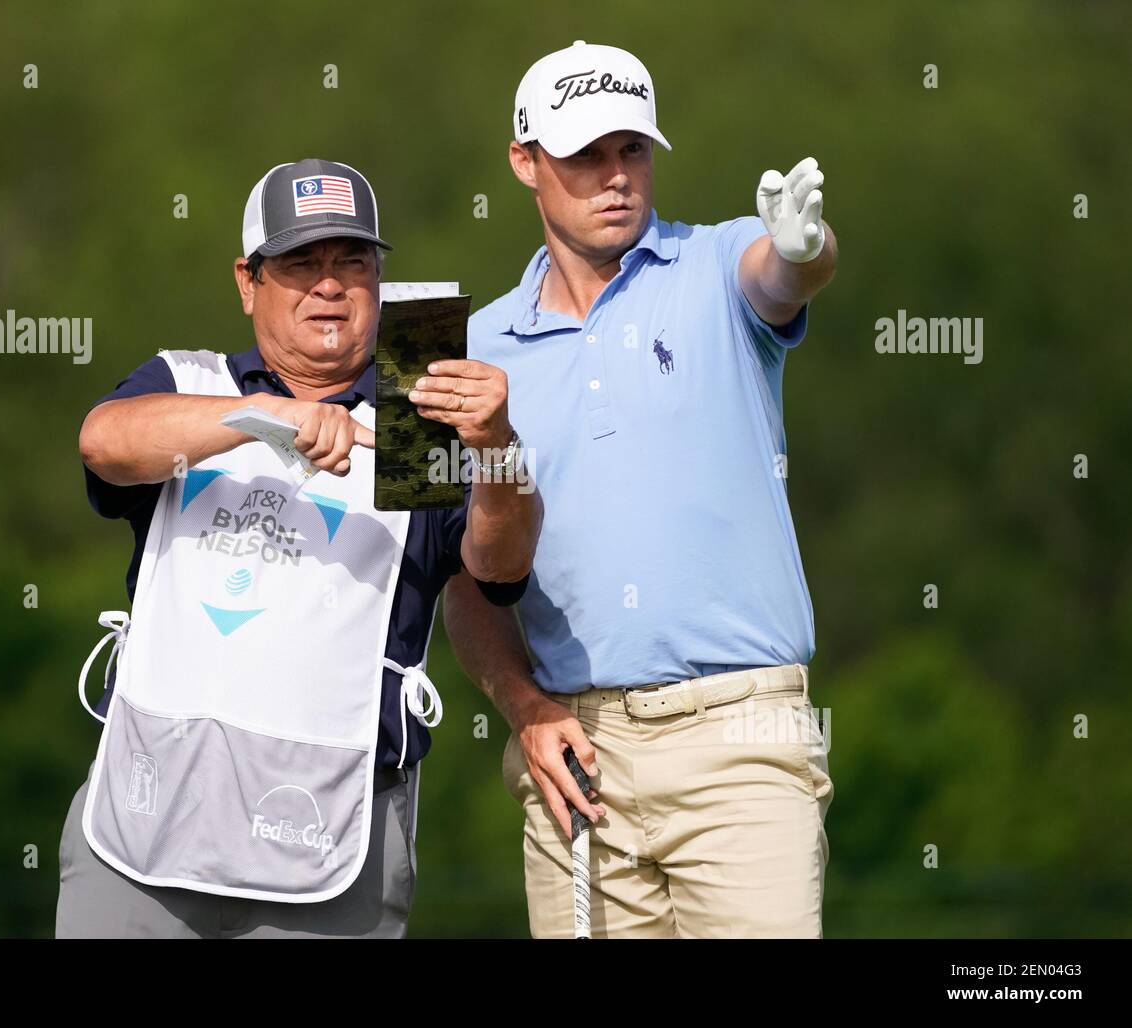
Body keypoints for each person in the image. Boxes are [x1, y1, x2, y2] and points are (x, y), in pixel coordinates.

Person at [56, 158, 542, 938]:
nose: (329, 285)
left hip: (331, 834)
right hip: (144, 823)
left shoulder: (418, 419)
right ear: (248, 283)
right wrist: (261, 416)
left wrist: (497, 448)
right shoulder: (192, 378)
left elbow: (501, 564)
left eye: (353, 262)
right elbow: (103, 443)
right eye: (300, 264)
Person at [448, 41, 838, 937]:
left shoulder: (718, 260)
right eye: (584, 155)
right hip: (576, 757)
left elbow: (781, 278)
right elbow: (465, 584)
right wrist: (524, 707)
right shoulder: (474, 349)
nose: (615, 177)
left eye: (632, 150)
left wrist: (807, 248)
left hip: (741, 742)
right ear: (524, 162)